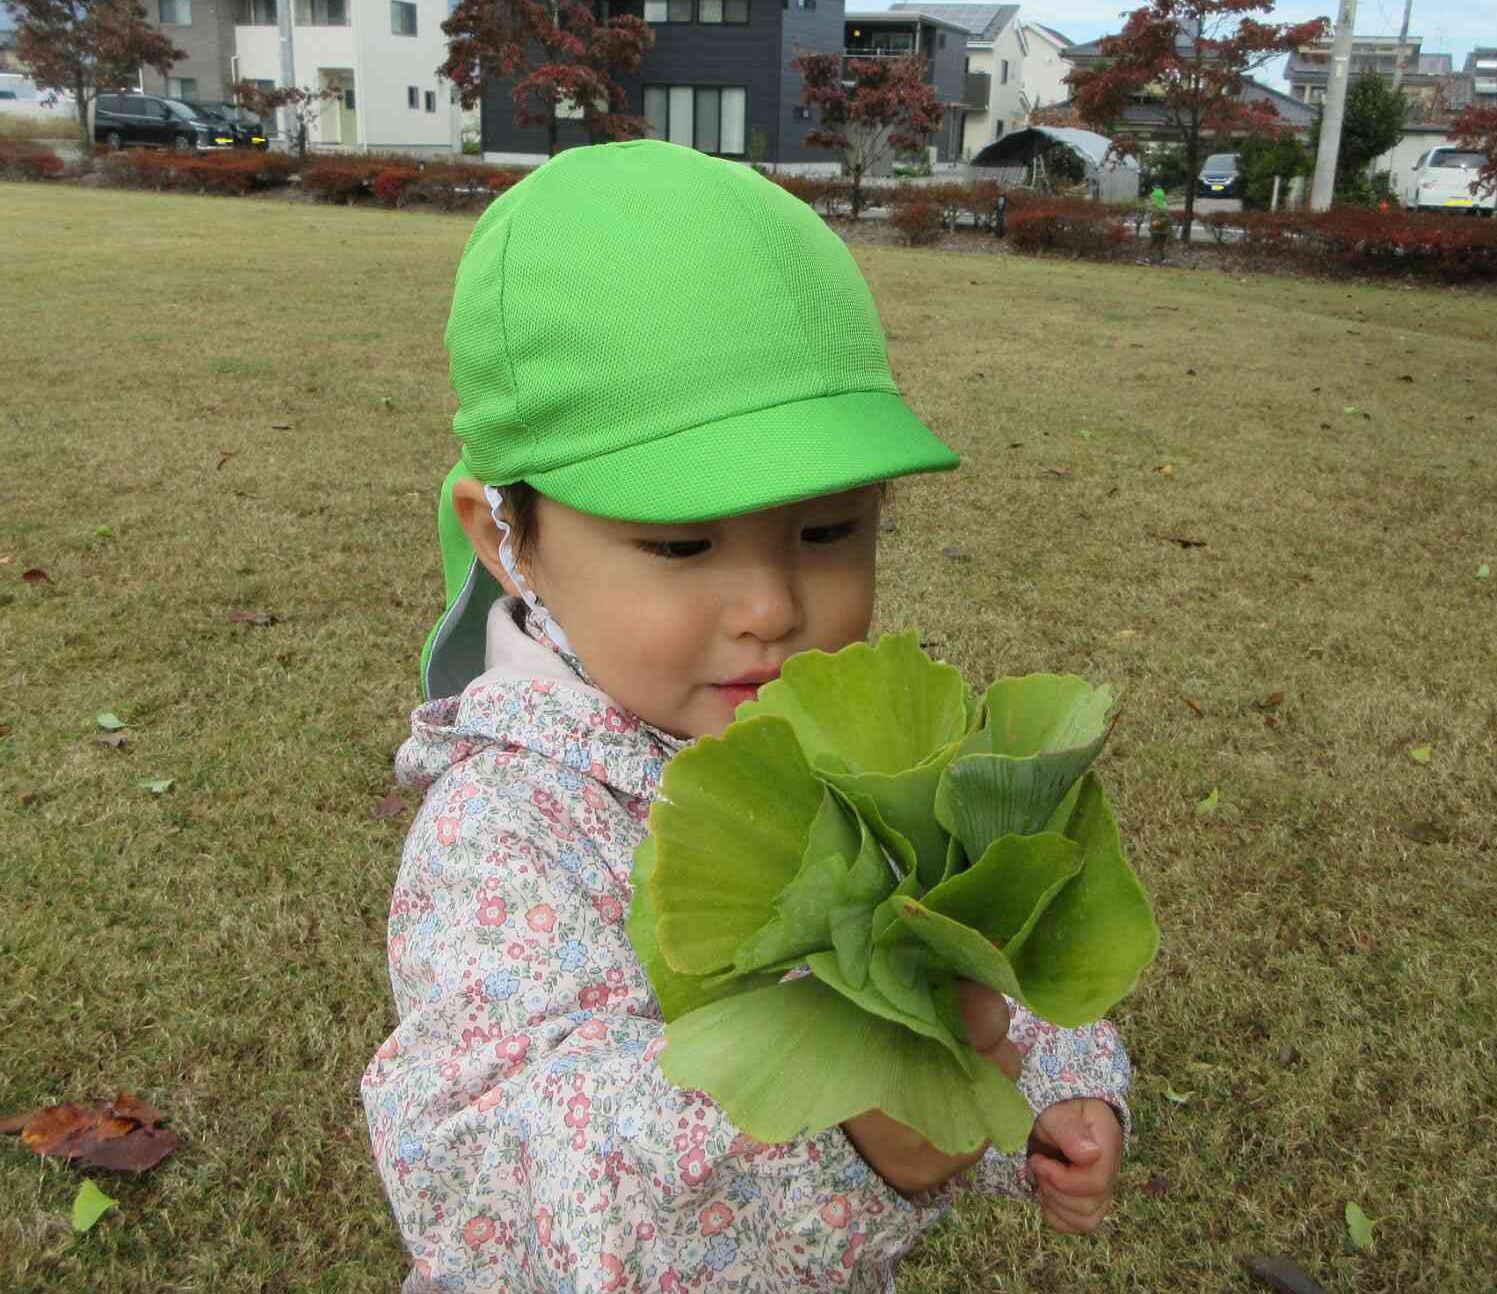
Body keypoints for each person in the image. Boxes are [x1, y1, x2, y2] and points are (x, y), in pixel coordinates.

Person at [361, 140, 1135, 1292]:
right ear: (506, 537)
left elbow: (975, 933)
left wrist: (1061, 1080)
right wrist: (844, 1142)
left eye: (829, 532)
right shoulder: (508, 827)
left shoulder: (847, 744)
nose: (773, 608)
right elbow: (503, 1180)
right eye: (682, 543)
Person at [1147, 185, 1173, 266]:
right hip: (1156, 230)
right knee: (1154, 245)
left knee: (1157, 245)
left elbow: (1167, 218)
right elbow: (1154, 217)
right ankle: (1156, 259)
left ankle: (1158, 259)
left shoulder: (1163, 207)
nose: (1152, 199)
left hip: (1161, 231)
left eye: (1153, 197)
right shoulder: (1156, 206)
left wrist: (1158, 222)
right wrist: (1151, 227)